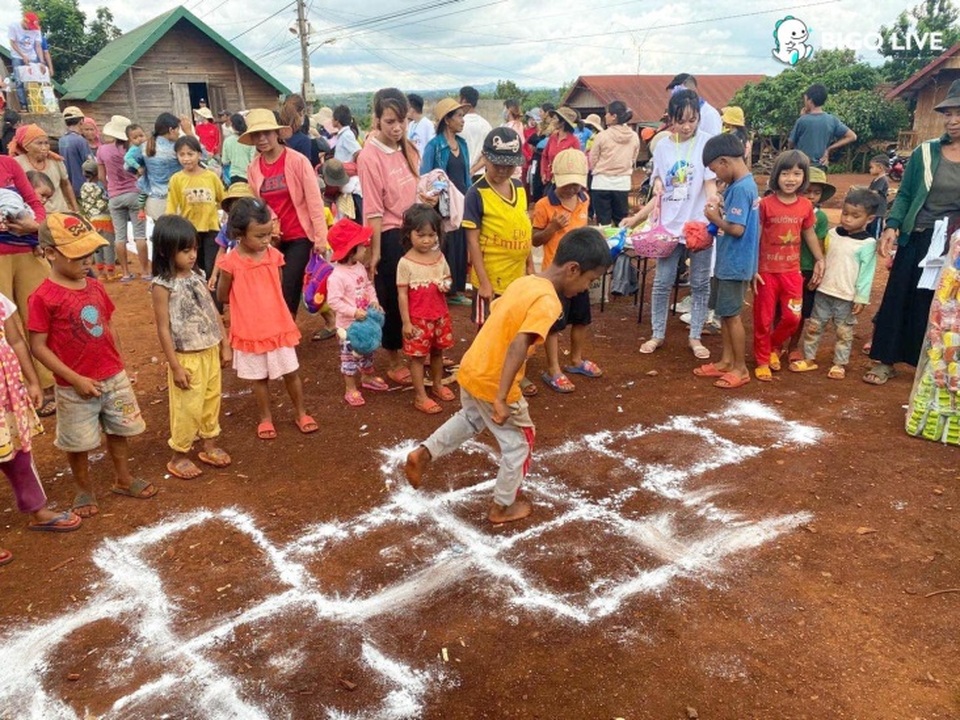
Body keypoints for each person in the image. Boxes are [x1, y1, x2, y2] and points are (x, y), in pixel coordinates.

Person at [403, 227, 611, 524]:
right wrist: (501, 396)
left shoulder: (525, 281)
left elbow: (497, 314)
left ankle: (425, 453)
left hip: (474, 366)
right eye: (589, 280)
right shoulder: (549, 301)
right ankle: (503, 505)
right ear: (572, 269)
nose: (585, 288)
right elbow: (518, 343)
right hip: (495, 381)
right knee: (520, 443)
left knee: (472, 417)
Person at [28, 213, 157, 519]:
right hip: (74, 386)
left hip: (112, 375)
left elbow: (108, 324)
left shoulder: (95, 287)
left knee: (119, 428)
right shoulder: (42, 298)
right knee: (78, 441)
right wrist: (75, 379)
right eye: (77, 256)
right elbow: (38, 346)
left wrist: (122, 364)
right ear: (49, 253)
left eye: (90, 254)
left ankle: (123, 478)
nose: (87, 261)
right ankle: (83, 489)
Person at [866, 79, 960, 385]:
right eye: (949, 113)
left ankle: (932, 366)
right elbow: (905, 193)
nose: (953, 120)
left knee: (940, 305)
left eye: (959, 113)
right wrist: (893, 226)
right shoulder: (926, 152)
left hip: (952, 244)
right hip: (917, 235)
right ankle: (886, 360)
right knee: (899, 296)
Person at [622, 89, 717, 359]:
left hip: (698, 227)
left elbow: (710, 184)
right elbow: (659, 191)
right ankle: (657, 334)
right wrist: (637, 217)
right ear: (670, 119)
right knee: (662, 282)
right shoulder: (663, 146)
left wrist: (712, 207)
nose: (687, 126)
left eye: (692, 119)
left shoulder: (706, 143)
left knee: (700, 283)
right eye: (680, 120)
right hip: (667, 229)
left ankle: (695, 336)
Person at [216, 198, 317, 439]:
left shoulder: (274, 255)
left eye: (268, 235)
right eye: (260, 236)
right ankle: (265, 418)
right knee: (259, 378)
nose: (266, 241)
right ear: (239, 235)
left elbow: (278, 284)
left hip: (278, 324)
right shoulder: (230, 262)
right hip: (250, 328)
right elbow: (222, 294)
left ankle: (301, 412)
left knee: (291, 372)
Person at [0, 284, 83, 564]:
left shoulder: (1, 302)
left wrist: (33, 381)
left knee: (21, 456)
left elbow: (17, 342)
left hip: (6, 400)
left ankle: (37, 509)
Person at [150, 215, 231, 479]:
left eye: (194, 248)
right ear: (165, 251)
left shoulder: (198, 275)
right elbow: (163, 328)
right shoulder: (162, 286)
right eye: (185, 250)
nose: (193, 255)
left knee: (210, 401)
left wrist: (224, 343)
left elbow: (212, 310)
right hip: (187, 357)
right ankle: (179, 455)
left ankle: (208, 445)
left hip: (208, 350)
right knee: (187, 408)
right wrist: (175, 366)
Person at [357, 88, 423, 385]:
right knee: (395, 297)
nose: (397, 128)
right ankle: (395, 359)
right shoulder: (369, 156)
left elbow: (416, 189)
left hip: (416, 230)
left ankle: (419, 351)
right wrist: (376, 252)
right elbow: (373, 208)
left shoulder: (408, 148)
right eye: (390, 121)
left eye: (402, 121)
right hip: (389, 233)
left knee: (420, 294)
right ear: (376, 120)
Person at [242, 108, 329, 318]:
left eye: (267, 133)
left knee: (288, 286)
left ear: (277, 133)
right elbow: (259, 204)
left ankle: (286, 339)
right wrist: (271, 224)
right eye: (257, 135)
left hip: (300, 234)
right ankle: (322, 321)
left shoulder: (297, 161)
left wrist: (321, 238)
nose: (262, 139)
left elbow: (314, 201)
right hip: (273, 238)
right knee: (276, 284)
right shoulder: (254, 168)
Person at [790, 188, 880, 380]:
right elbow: (822, 258)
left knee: (844, 332)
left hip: (846, 296)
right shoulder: (832, 234)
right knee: (814, 326)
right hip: (824, 290)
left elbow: (866, 273)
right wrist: (816, 279)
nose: (847, 219)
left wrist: (861, 297)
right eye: (845, 213)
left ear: (869, 219)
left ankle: (839, 364)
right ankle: (808, 358)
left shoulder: (868, 244)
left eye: (855, 216)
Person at [753, 150, 826, 381]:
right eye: (785, 173)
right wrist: (752, 268)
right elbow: (756, 236)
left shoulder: (805, 206)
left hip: (792, 273)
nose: (790, 179)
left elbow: (809, 233)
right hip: (765, 272)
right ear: (776, 175)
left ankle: (773, 346)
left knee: (793, 317)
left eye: (796, 173)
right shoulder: (764, 205)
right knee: (763, 319)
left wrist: (819, 258)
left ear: (803, 177)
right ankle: (763, 359)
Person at [532, 148, 600, 393]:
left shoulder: (584, 199)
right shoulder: (544, 205)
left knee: (581, 318)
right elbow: (535, 240)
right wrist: (551, 228)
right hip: (557, 278)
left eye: (576, 184)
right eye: (567, 184)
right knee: (554, 325)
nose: (572, 189)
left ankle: (576, 359)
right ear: (555, 178)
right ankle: (553, 369)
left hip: (580, 274)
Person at [697, 133, 760, 389]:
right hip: (730, 261)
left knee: (732, 315)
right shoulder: (743, 185)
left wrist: (714, 219)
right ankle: (725, 360)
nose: (716, 176)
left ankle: (740, 368)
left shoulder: (741, 188)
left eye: (715, 170)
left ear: (724, 161)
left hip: (735, 263)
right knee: (724, 313)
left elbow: (737, 229)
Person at [0, 154, 54, 416]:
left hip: (27, 251)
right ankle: (17, 389)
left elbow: (34, 202)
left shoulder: (8, 164)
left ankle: (50, 383)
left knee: (41, 316)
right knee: (5, 328)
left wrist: (35, 225)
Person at [397, 204, 455, 414]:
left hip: (440, 315)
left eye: (431, 235)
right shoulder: (405, 263)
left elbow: (448, 278)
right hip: (418, 319)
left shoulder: (439, 257)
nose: (427, 240)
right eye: (421, 235)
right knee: (418, 358)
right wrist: (406, 322)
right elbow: (402, 294)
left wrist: (445, 285)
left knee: (438, 352)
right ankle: (420, 396)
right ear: (409, 234)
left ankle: (438, 384)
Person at [326, 218, 389, 407]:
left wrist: (374, 302)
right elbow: (333, 301)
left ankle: (367, 377)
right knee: (349, 358)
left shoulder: (360, 267)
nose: (365, 248)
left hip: (364, 321)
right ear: (351, 250)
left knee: (367, 352)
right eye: (362, 246)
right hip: (348, 327)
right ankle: (350, 388)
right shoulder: (337, 276)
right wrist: (353, 312)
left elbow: (368, 286)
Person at [420, 97, 471, 306]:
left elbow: (466, 176)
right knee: (443, 244)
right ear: (447, 120)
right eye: (458, 116)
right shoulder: (434, 146)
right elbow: (426, 176)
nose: (462, 120)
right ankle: (444, 289)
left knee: (459, 243)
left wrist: (469, 200)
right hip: (441, 206)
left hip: (460, 203)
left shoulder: (463, 144)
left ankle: (455, 289)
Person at [786, 166, 834, 362]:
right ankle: (775, 344)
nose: (812, 196)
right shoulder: (787, 210)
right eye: (807, 191)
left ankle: (792, 346)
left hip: (805, 268)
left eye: (817, 192)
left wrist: (818, 265)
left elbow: (820, 243)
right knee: (780, 310)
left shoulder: (820, 217)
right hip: (785, 266)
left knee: (801, 310)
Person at [98, 115, 151, 281]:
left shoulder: (102, 150)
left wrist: (111, 189)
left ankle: (126, 273)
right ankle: (145, 271)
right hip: (135, 193)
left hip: (115, 196)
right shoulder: (136, 149)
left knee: (120, 237)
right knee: (139, 234)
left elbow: (101, 176)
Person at [166, 135, 225, 282]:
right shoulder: (176, 179)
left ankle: (215, 303)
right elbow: (171, 206)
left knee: (212, 268)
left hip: (212, 229)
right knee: (193, 269)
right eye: (181, 154)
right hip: (189, 232)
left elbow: (223, 199)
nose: (186, 158)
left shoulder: (211, 177)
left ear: (199, 154)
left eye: (190, 154)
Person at [588, 100, 640, 226]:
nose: (605, 116)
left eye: (607, 114)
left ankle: (605, 245)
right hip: (622, 183)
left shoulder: (602, 136)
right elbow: (634, 158)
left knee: (603, 222)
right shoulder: (634, 136)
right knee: (621, 222)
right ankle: (620, 245)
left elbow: (593, 158)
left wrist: (598, 169)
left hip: (601, 182)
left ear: (614, 116)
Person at [788, 84, 857, 169]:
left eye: (805, 99)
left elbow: (791, 143)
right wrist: (829, 149)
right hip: (821, 166)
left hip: (802, 167)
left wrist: (802, 117)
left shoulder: (802, 120)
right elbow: (852, 136)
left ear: (810, 100)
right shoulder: (832, 120)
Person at [11, 125, 78, 213]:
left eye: (46, 143)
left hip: (61, 211)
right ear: (26, 146)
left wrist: (75, 208)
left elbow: (66, 184)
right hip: (36, 215)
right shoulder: (17, 163)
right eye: (39, 143)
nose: (44, 147)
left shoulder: (56, 161)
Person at [142, 113, 191, 221]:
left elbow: (127, 166)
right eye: (178, 130)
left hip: (154, 200)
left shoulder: (145, 146)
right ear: (171, 130)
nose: (179, 133)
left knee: (161, 236)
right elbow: (202, 156)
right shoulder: (177, 147)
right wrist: (188, 132)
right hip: (176, 200)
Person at [78, 159, 117, 280]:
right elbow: (104, 204)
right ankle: (111, 272)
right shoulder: (99, 188)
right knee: (108, 246)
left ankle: (101, 273)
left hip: (91, 220)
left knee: (97, 247)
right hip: (104, 219)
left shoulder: (83, 188)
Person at [540, 107, 581, 191]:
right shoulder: (553, 137)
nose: (553, 120)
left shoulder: (574, 141)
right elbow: (545, 156)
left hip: (564, 181)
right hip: (550, 179)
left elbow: (576, 163)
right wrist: (543, 173)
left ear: (562, 122)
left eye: (555, 118)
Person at [7, 12, 43, 109]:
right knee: (19, 80)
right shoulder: (14, 26)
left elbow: (38, 46)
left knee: (35, 79)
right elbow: (12, 43)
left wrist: (41, 62)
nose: (31, 29)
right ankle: (24, 105)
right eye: (29, 26)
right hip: (17, 55)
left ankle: (36, 104)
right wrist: (22, 56)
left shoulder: (37, 30)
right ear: (24, 21)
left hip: (32, 56)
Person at [458, 86, 493, 180]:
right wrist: (473, 170)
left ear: (463, 100)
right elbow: (488, 153)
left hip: (460, 175)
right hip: (480, 174)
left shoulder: (457, 125)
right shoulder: (486, 125)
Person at [58, 106, 92, 197]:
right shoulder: (80, 141)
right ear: (81, 121)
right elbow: (90, 164)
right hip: (83, 186)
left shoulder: (61, 140)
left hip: (69, 186)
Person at [220, 114, 255, 184]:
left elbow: (225, 161)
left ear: (232, 126)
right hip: (249, 176)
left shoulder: (227, 141)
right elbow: (253, 160)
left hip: (234, 175)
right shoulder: (250, 139)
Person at [867, 154, 889, 239]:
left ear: (880, 168)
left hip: (878, 211)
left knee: (875, 233)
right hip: (873, 210)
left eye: (872, 167)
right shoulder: (876, 179)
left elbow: (874, 193)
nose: (870, 170)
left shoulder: (882, 180)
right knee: (870, 230)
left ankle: (876, 248)